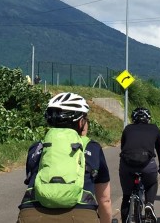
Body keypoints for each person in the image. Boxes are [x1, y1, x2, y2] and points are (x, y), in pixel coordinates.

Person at [17, 92, 112, 223]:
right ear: (80, 122)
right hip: (81, 215)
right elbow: (105, 200)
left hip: (32, 214)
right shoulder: (92, 147)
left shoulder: (37, 147)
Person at [118, 107, 160, 223]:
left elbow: (123, 147)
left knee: (126, 195)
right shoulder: (154, 128)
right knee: (151, 183)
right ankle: (149, 204)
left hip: (127, 165)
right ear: (148, 118)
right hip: (147, 165)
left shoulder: (128, 128)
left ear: (133, 118)